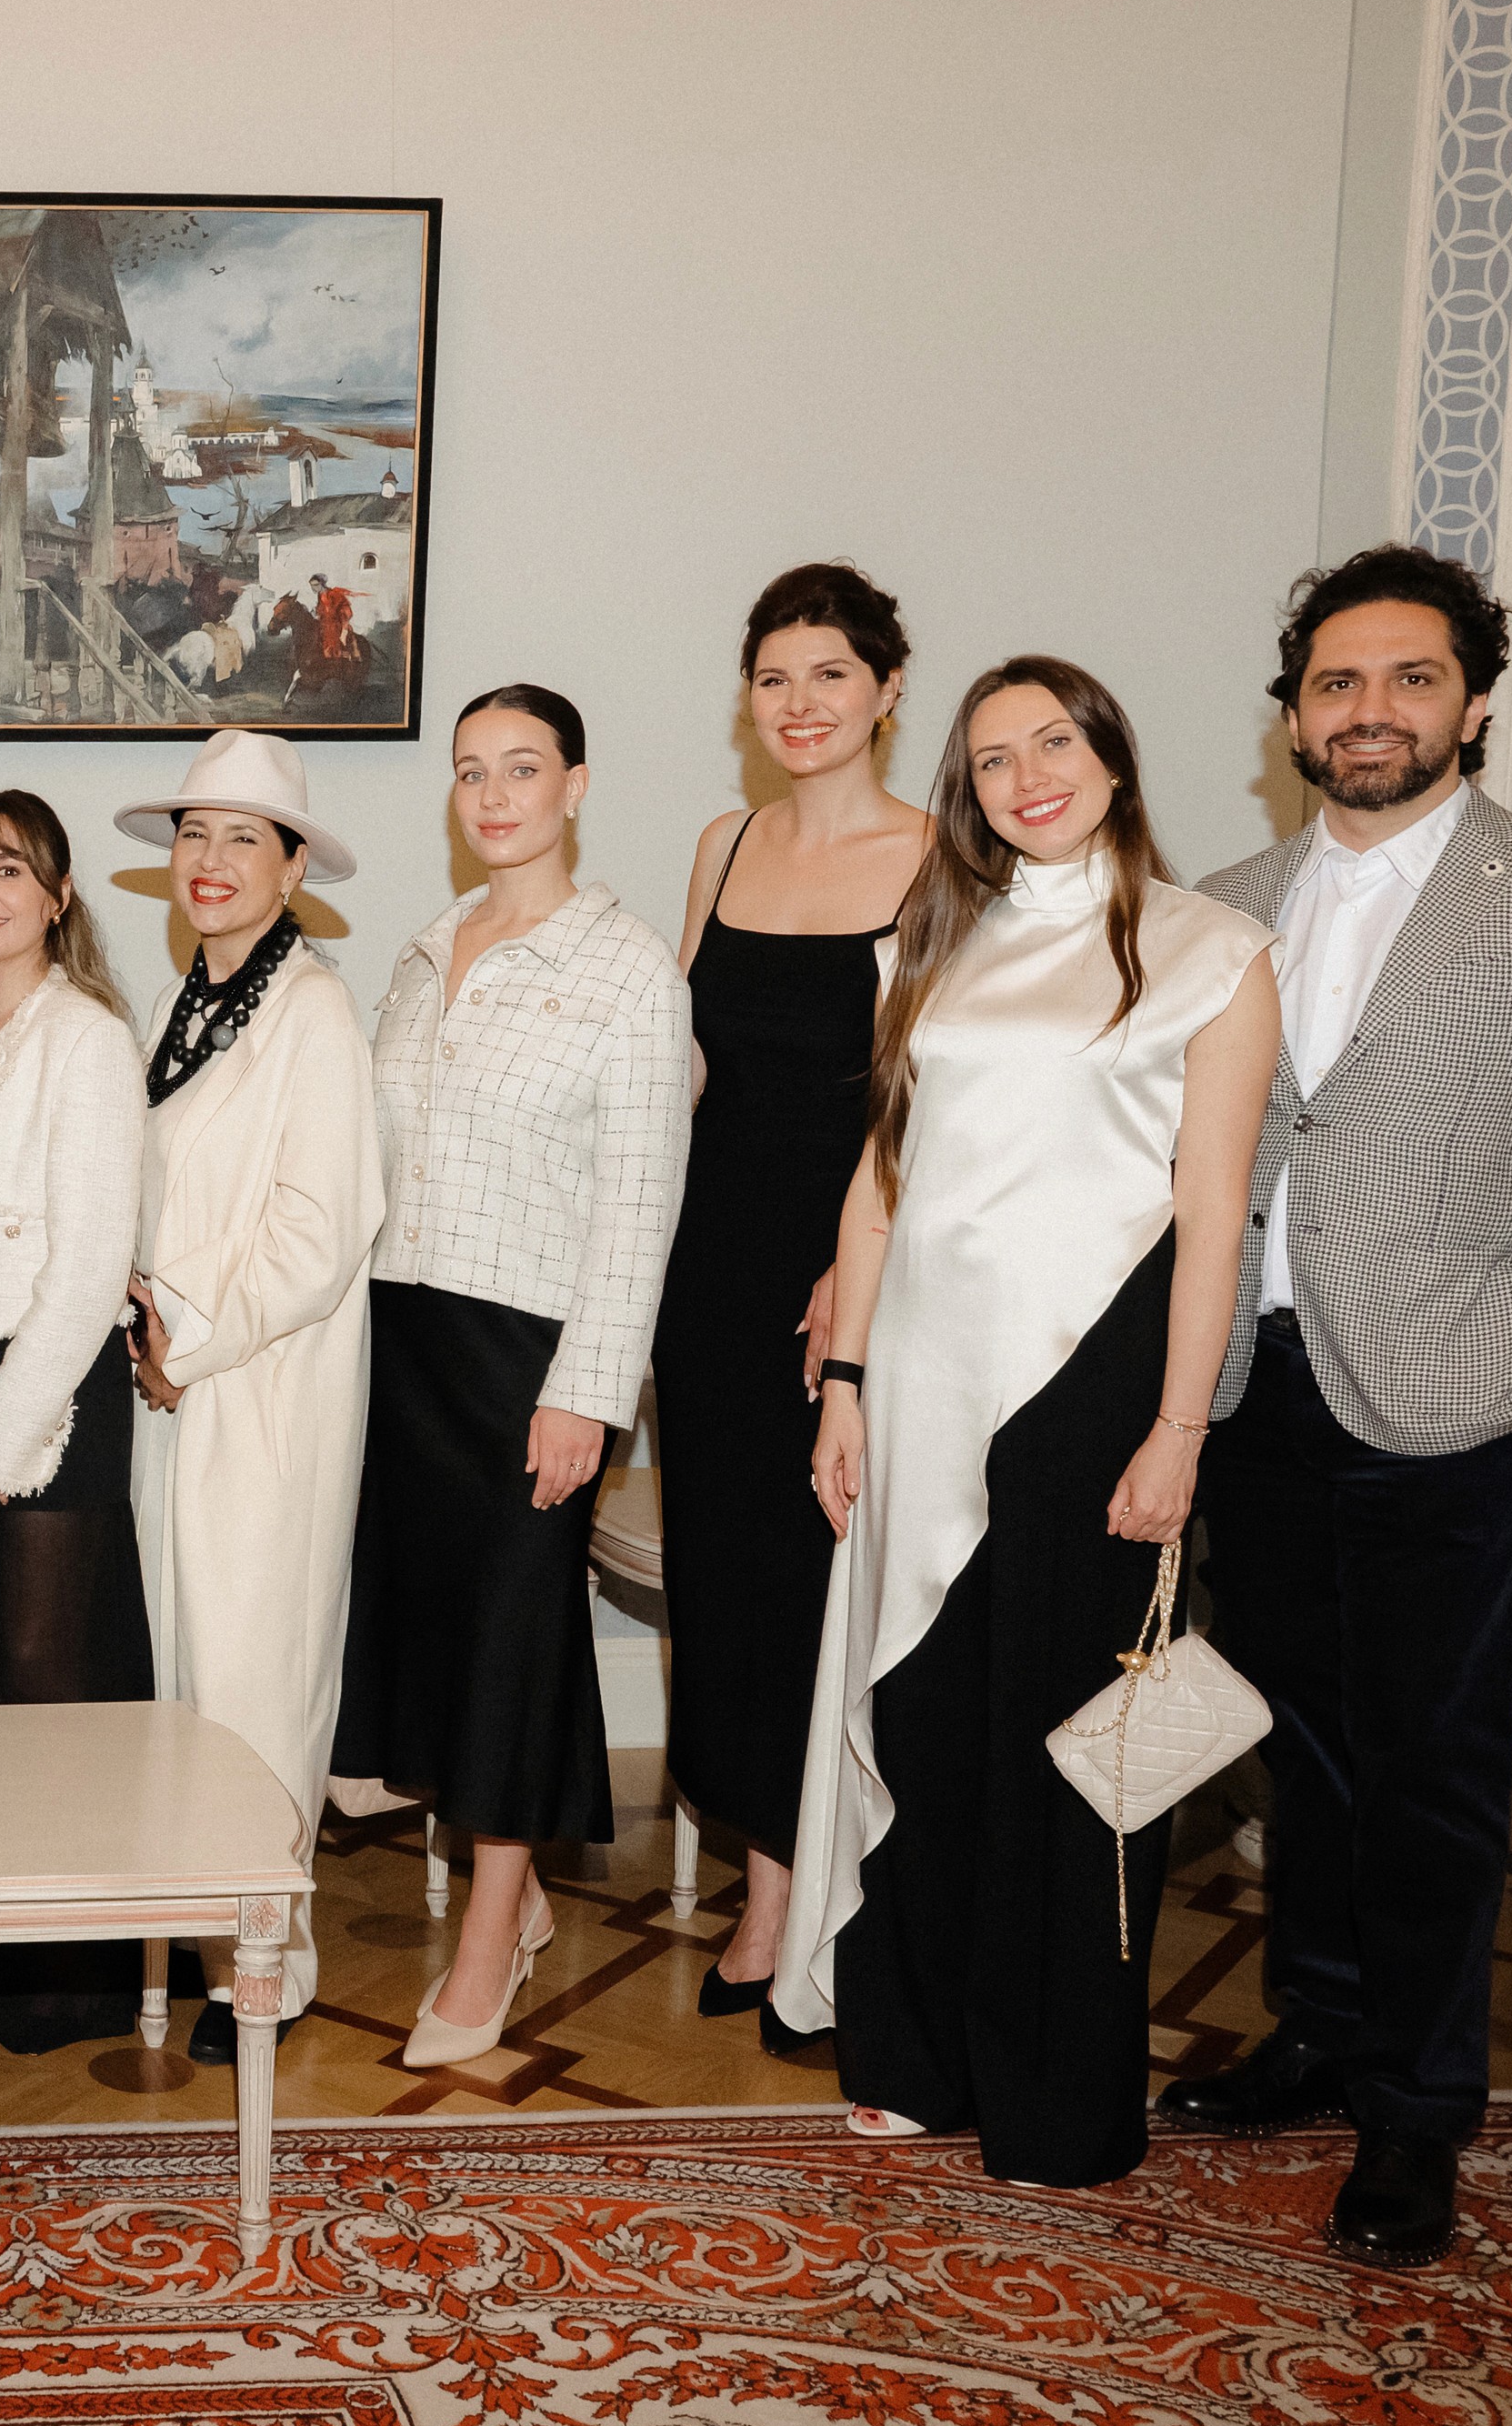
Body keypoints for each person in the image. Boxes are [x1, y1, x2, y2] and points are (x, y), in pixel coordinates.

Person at [1167, 546, 1512, 2263]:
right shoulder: (1225, 897)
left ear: (1471, 698)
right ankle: (1320, 2022)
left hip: (1459, 1391)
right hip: (1263, 1388)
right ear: (1295, 712)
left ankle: (1417, 2110)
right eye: (1335, 681)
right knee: (1305, 1748)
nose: (1369, 709)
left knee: (1437, 1770)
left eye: (1407, 678)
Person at [777, 657, 1280, 2189]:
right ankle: (917, 2057)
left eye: (1051, 742)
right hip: (921, 1385)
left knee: (1070, 1754)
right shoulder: (933, 943)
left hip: (1096, 1392)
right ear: (969, 793)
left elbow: (1213, 1216)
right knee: (925, 1721)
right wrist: (846, 1380)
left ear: (1113, 758)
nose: (1026, 775)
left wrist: (1181, 1426)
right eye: (992, 759)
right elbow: (881, 1181)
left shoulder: (1215, 951)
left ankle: (1060, 2095)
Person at [337, 687, 689, 2069]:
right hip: (403, 1333)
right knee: (429, 1629)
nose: (492, 797)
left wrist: (587, 1393)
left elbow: (640, 1201)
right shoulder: (426, 953)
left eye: (521, 770)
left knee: (506, 1643)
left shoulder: (627, 972)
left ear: (577, 785)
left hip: (525, 1356)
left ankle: (487, 1941)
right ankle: (523, 1892)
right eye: (471, 772)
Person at [655, 564, 931, 2045]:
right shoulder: (726, 841)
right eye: (775, 676)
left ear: (890, 687)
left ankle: (819, 1896)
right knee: (731, 1586)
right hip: (708, 1277)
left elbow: (923, 1102)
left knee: (826, 1591)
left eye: (831, 672)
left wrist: (858, 1272)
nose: (801, 702)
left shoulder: (946, 859)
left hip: (853, 1276)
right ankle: (766, 1879)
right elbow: (688, 1065)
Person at [113, 729, 381, 2069]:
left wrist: (191, 1339)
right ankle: (196, 1923)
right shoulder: (200, 1000)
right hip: (175, 1389)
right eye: (192, 837)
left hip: (265, 1392)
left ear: (290, 870)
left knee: (259, 1673)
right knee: (182, 1672)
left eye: (242, 840)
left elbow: (322, 1231)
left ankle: (267, 1963)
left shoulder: (312, 1010)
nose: (209, 863)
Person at [0, 788, 155, 2052]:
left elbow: (94, 1257)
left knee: (46, 1687)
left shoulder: (86, 1034)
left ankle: (71, 1979)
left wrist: (7, 1427)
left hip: (42, 1382)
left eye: (8, 869)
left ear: (57, 894)